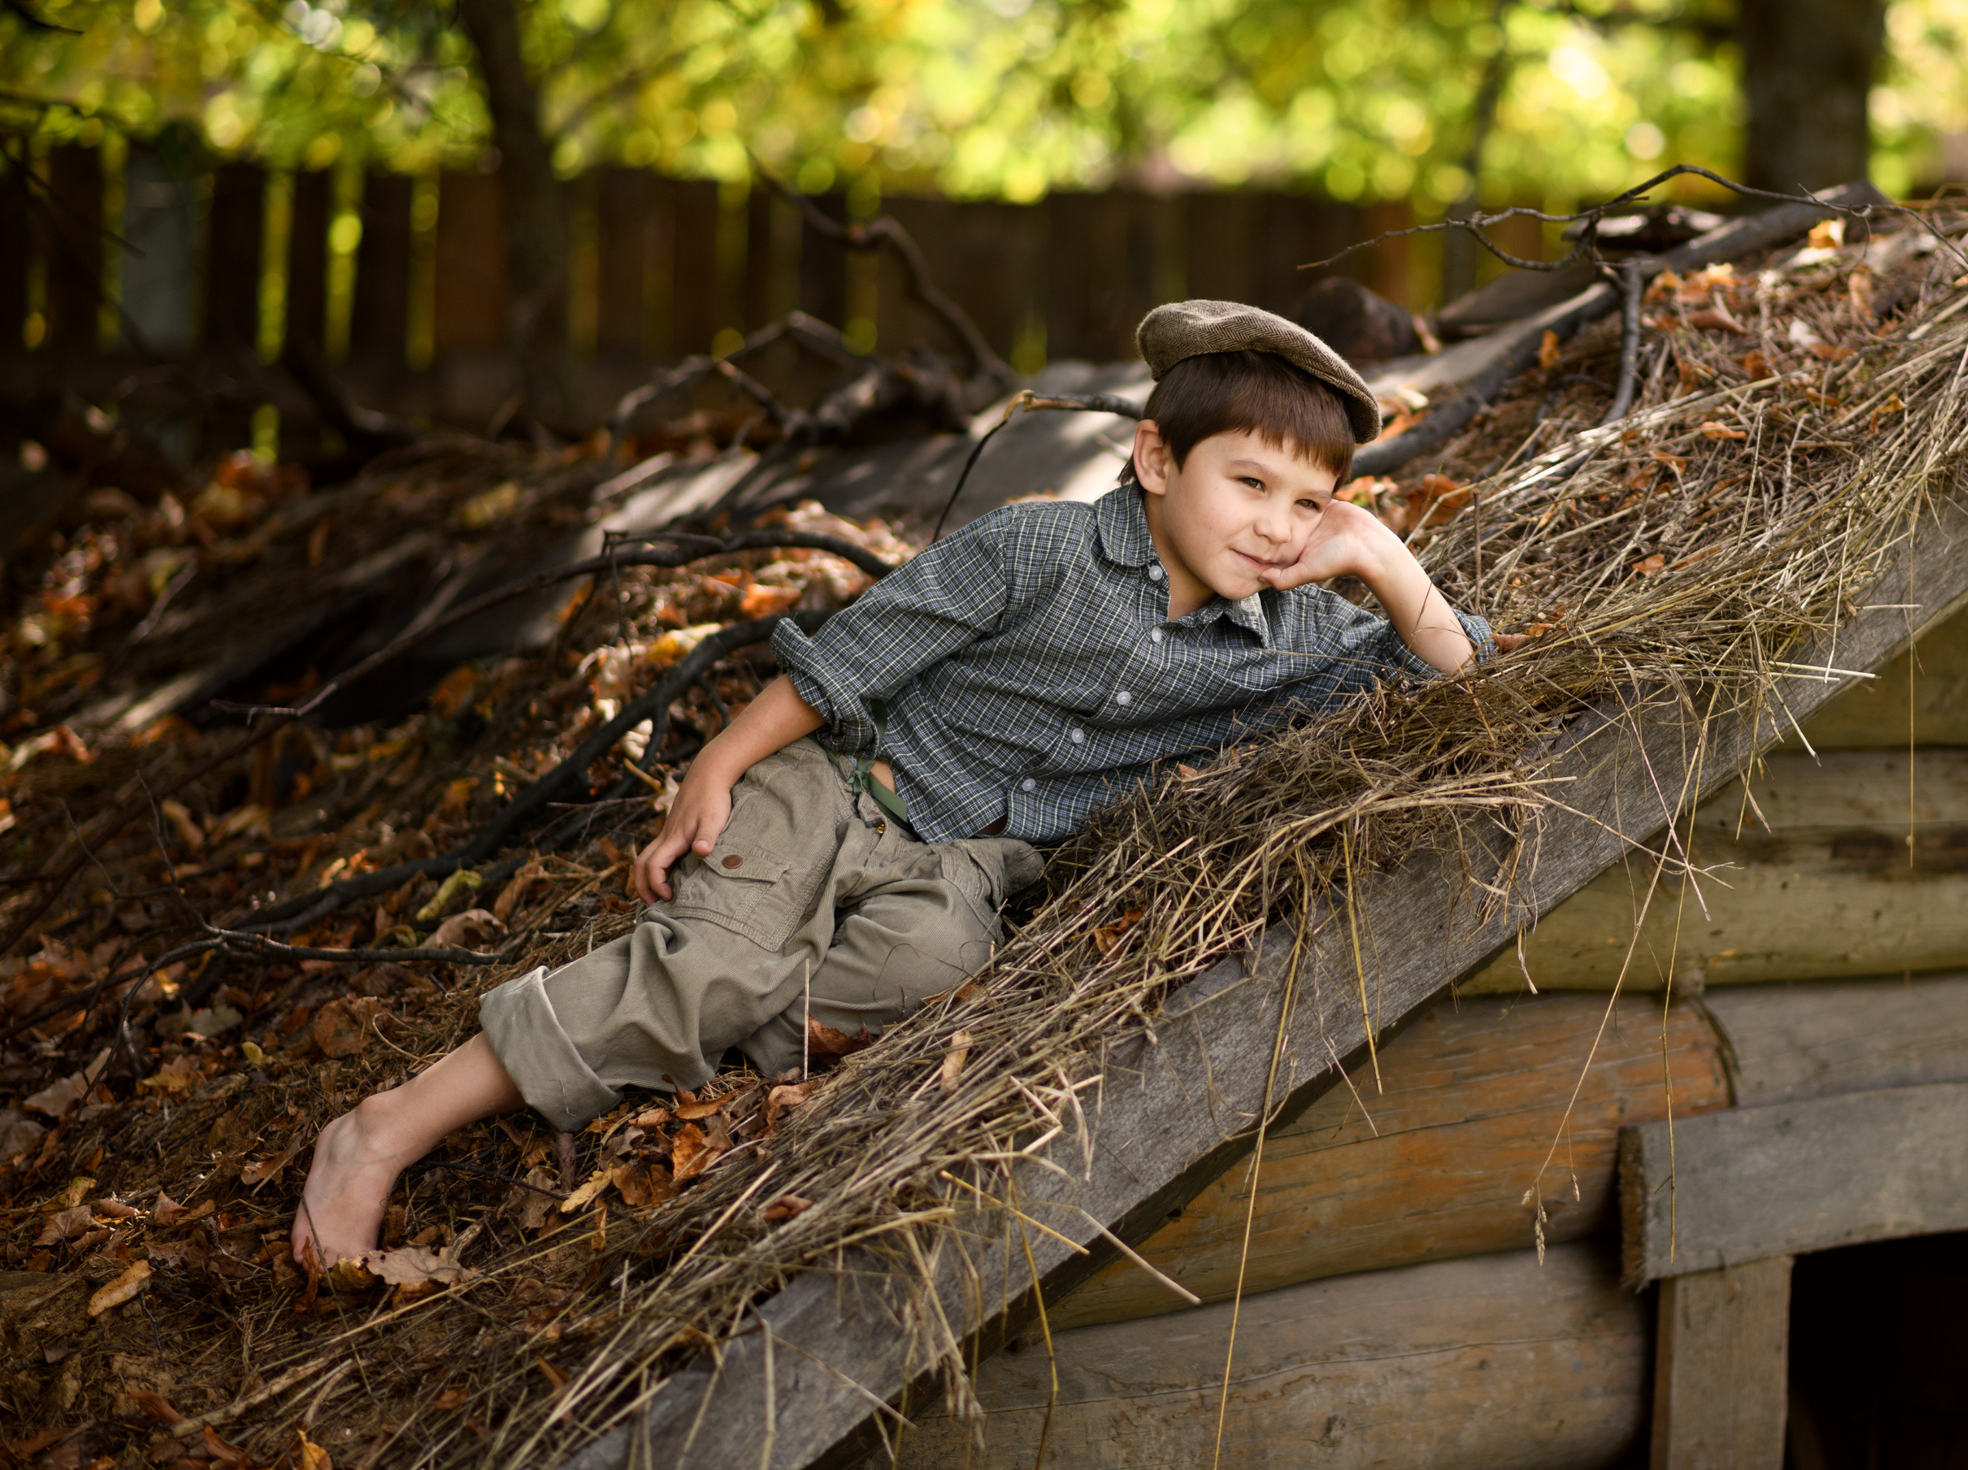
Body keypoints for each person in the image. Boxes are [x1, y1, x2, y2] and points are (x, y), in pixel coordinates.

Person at [291, 300, 1490, 1265]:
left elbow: (1466, 675)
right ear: (1153, 458)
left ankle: (714, 1002)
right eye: (1249, 485)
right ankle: (384, 1129)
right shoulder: (1039, 550)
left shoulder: (1285, 640)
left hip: (965, 869)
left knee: (935, 974)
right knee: (712, 963)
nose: (1280, 529)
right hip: (839, 788)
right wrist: (715, 764)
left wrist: (1381, 560)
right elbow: (856, 655)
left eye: (1312, 505)